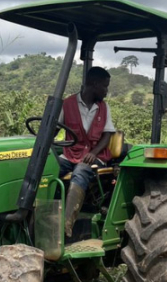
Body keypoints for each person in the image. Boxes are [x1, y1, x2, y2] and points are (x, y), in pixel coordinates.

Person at [58, 67, 116, 238]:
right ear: (94, 84)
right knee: (51, 167)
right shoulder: (67, 104)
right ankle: (43, 214)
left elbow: (107, 135)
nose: (106, 91)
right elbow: (55, 128)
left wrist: (95, 152)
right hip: (71, 154)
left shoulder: (104, 108)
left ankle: (66, 225)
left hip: (96, 157)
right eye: (104, 87)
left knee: (81, 170)